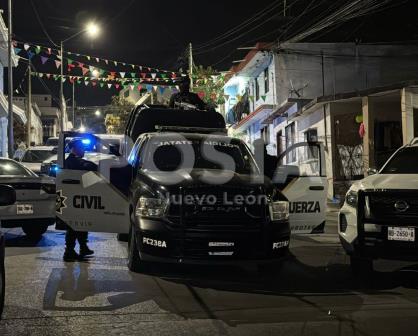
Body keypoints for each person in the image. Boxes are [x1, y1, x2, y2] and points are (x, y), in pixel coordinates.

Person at [63, 139, 97, 262]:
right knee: (74, 224)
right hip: (74, 197)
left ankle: (83, 247)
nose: (84, 151)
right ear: (75, 149)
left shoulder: (73, 160)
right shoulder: (72, 161)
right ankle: (69, 251)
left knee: (81, 222)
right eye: (82, 148)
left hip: (78, 196)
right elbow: (89, 166)